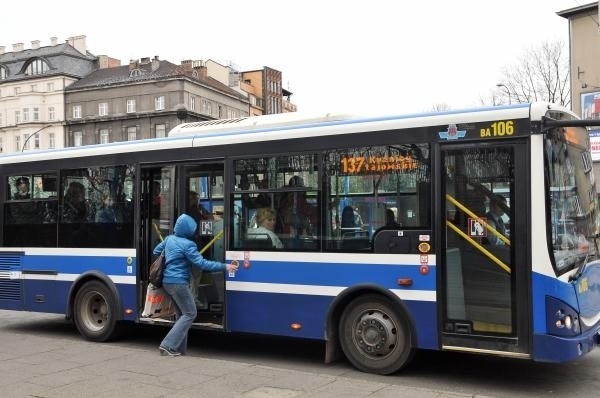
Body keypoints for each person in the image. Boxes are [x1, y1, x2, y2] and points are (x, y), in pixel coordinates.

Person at [154, 213, 238, 356]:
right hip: (178, 283)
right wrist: (226, 266)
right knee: (190, 313)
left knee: (182, 314)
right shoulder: (188, 245)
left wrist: (171, 256)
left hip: (167, 281)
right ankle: (167, 345)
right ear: (188, 230)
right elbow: (202, 263)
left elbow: (156, 251)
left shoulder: (169, 239)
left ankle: (179, 349)